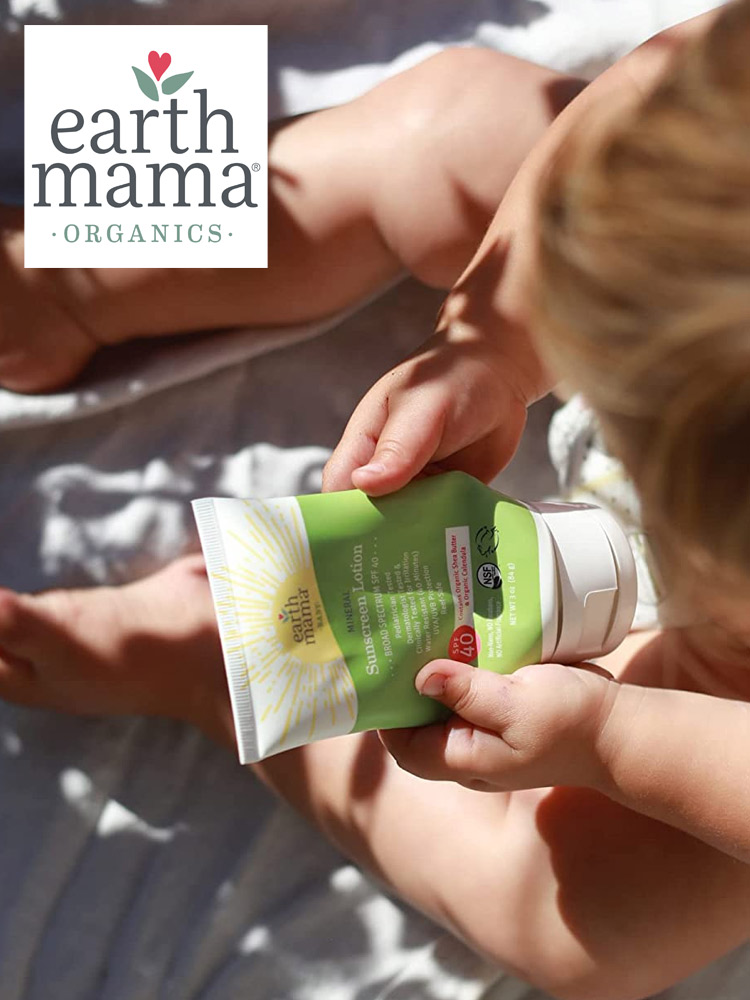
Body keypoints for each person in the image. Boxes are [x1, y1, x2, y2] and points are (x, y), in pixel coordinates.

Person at [1, 4, 748, 999]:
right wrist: (494, 341)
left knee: (583, 932)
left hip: (724, 680)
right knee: (456, 123)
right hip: (677, 309)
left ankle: (218, 663)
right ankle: (70, 276)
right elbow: (666, 82)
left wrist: (618, 738)